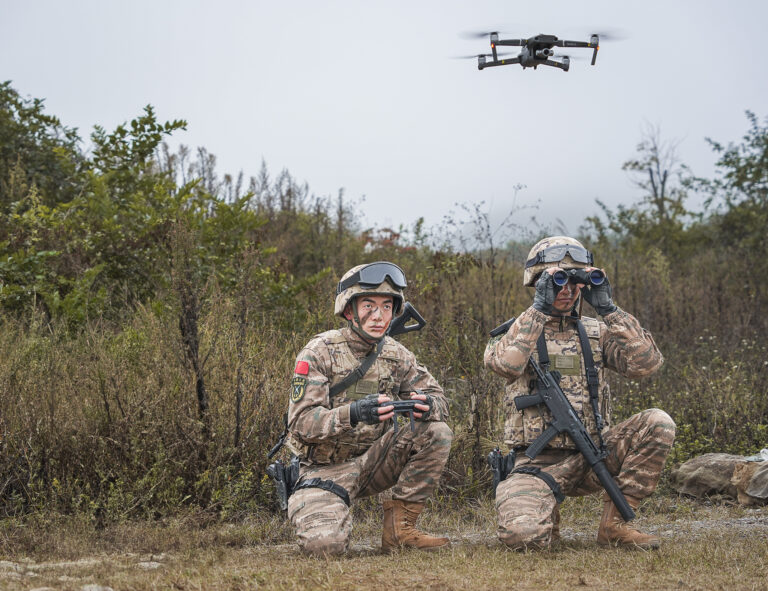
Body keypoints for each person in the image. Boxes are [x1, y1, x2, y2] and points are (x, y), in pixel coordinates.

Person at [484, 236, 676, 550]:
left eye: (575, 281)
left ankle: (613, 526)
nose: (568, 289)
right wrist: (538, 312)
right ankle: (542, 516)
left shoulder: (597, 331)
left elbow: (647, 364)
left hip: (594, 454)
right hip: (534, 464)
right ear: (538, 283)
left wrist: (610, 310)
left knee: (658, 422)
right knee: (524, 539)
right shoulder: (513, 331)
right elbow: (506, 365)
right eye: (558, 280)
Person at [285, 261, 453, 556]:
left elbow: (438, 398)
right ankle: (324, 511)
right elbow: (301, 422)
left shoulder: (396, 354)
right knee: (326, 548)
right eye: (369, 306)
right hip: (323, 470)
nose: (379, 316)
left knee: (436, 431)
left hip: (374, 462)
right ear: (349, 310)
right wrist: (354, 412)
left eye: (387, 306)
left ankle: (400, 531)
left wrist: (427, 405)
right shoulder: (319, 352)